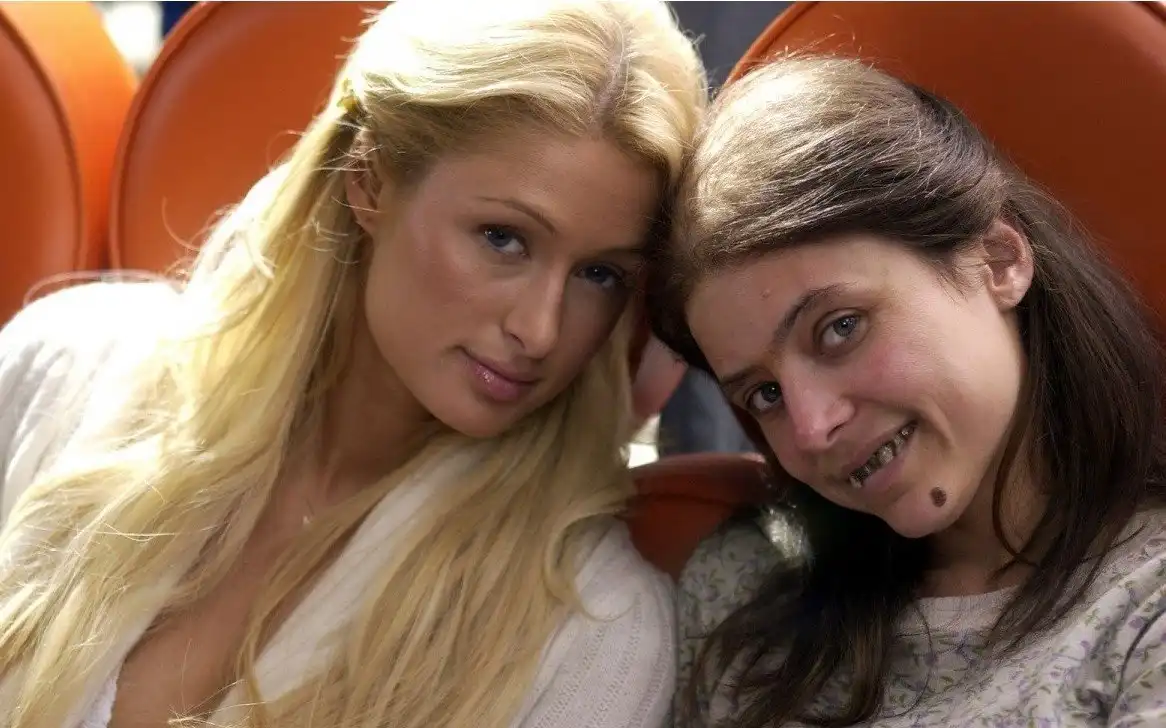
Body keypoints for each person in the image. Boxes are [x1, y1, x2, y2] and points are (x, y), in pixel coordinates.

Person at [0, 1, 707, 726]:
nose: (540, 330)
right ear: (369, 178)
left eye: (600, 275)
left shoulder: (595, 631)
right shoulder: (63, 367)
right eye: (503, 238)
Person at [647, 56, 1166, 727]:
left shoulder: (1144, 605)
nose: (811, 429)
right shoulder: (736, 596)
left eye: (840, 328)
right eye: (765, 394)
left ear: (998, 260)